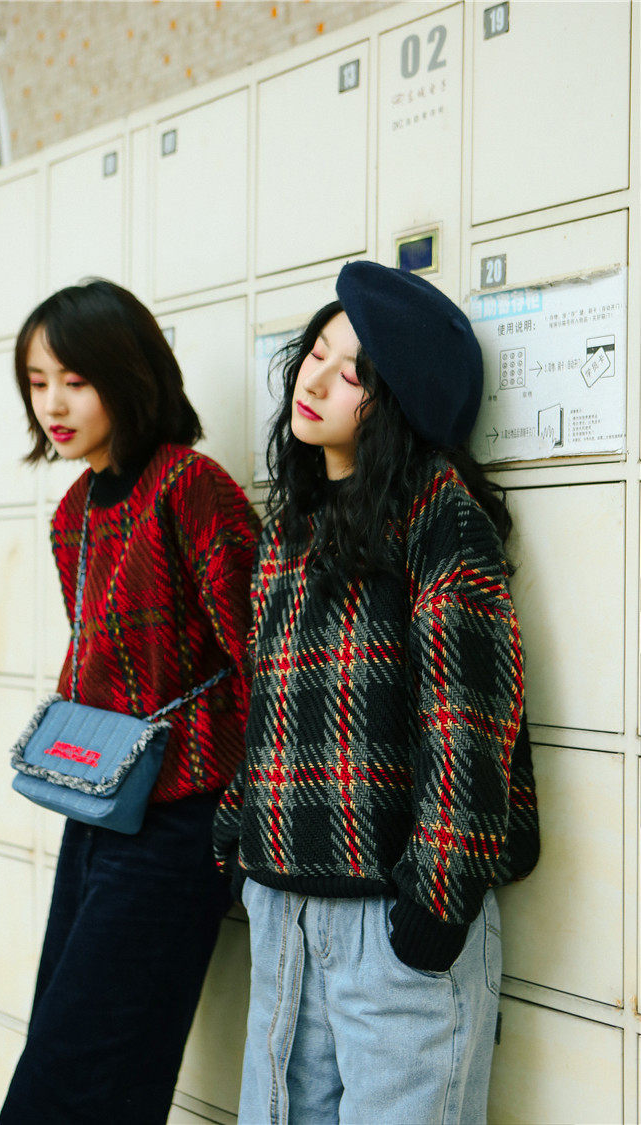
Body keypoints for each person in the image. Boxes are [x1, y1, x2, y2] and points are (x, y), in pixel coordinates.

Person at [213, 261, 540, 1124]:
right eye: (317, 352)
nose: (316, 379)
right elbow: (270, 703)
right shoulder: (294, 524)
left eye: (353, 372)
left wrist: (436, 900)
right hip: (286, 904)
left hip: (391, 920)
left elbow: (470, 722)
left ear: (399, 400)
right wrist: (238, 833)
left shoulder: (441, 515)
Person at [0, 278, 260, 1125]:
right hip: (102, 803)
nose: (52, 404)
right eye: (38, 382)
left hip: (181, 822)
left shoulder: (191, 486)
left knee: (76, 1079)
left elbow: (260, 659)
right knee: (79, 1061)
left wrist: (248, 819)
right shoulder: (72, 513)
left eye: (75, 380)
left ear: (129, 375)